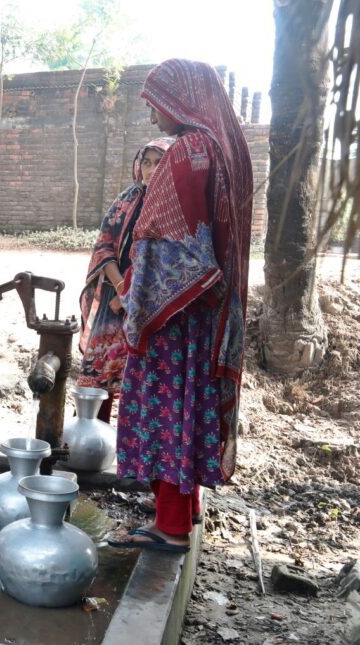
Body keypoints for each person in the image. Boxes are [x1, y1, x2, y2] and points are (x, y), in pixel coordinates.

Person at [107, 59, 253, 553]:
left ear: (178, 99)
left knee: (166, 404)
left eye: (155, 106)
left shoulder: (190, 149)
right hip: (204, 309)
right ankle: (182, 509)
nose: (153, 119)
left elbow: (166, 240)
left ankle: (169, 526)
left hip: (175, 312)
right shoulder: (223, 147)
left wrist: (137, 300)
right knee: (190, 404)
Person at [77, 137, 174, 423]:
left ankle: (134, 450)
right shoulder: (126, 200)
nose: (151, 169)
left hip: (151, 304)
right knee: (99, 373)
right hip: (114, 302)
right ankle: (89, 435)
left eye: (159, 163)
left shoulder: (174, 208)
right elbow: (105, 245)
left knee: (142, 378)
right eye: (146, 162)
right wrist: (122, 289)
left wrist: (134, 296)